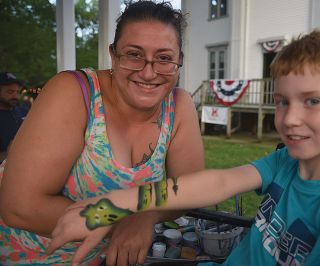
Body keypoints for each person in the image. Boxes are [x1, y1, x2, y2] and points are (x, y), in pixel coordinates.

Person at [47, 30, 320, 266]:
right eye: (282, 102)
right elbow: (218, 184)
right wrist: (107, 209)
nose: (290, 119)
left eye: (312, 101)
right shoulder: (287, 162)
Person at [0, 1, 204, 265]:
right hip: (25, 255)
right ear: (113, 54)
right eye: (134, 54)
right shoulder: (73, 92)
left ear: (179, 63)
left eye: (164, 58)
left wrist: (147, 215)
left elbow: (191, 188)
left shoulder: (179, 105)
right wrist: (122, 219)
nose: (148, 71)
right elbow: (20, 207)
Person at [0, 72, 29, 162]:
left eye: (17, 92)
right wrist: (10, 153)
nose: (15, 96)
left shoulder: (24, 111)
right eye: (10, 92)